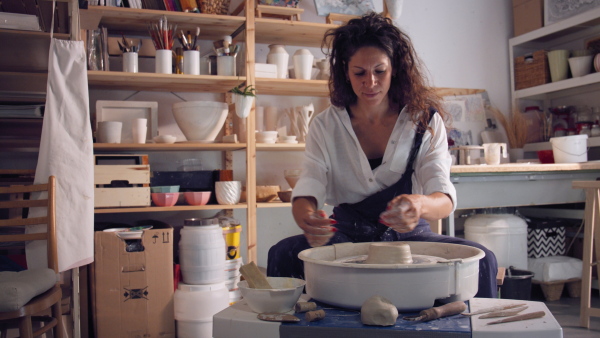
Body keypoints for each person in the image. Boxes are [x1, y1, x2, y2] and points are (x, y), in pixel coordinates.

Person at [267, 12, 498, 298]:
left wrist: (419, 205)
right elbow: (310, 184)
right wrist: (308, 219)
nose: (371, 82)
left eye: (380, 71)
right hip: (345, 235)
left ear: (396, 69)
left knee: (484, 260)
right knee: (283, 254)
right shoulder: (326, 126)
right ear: (345, 73)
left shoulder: (423, 121)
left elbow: (444, 197)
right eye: (359, 73)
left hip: (409, 236)